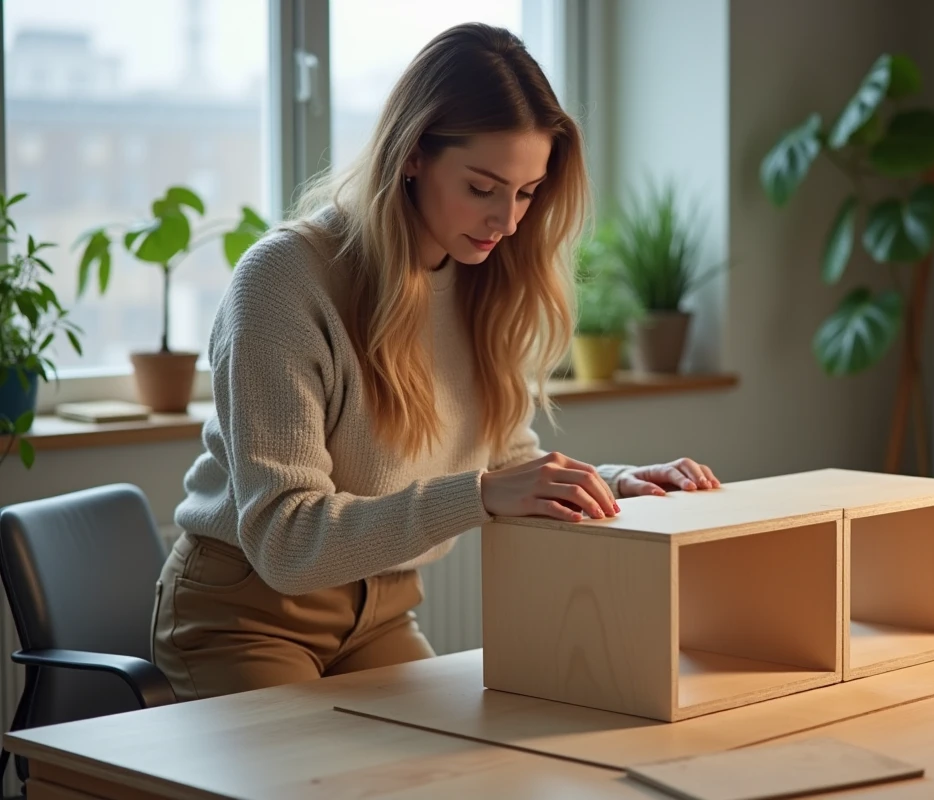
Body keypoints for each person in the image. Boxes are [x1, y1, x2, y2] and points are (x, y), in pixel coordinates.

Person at [151, 22, 720, 701]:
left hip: (381, 611)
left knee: (482, 750)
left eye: (526, 192)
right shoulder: (283, 280)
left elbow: (505, 460)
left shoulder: (482, 281)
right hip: (245, 615)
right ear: (413, 155)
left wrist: (615, 483)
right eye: (482, 188)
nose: (508, 221)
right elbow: (286, 540)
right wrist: (476, 496)